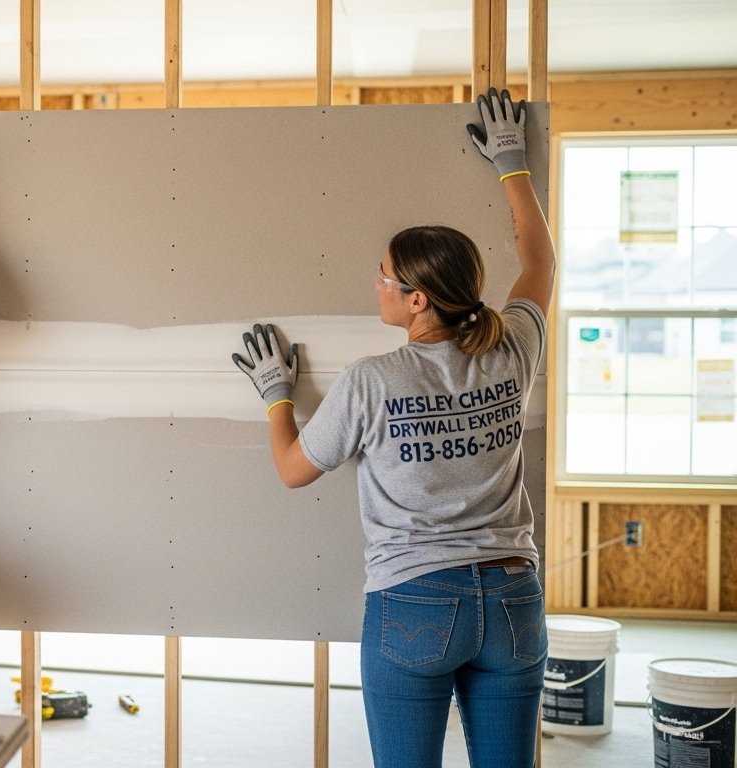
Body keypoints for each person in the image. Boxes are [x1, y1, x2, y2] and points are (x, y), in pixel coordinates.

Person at [232, 88, 554, 768]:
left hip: (415, 601)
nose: (375, 282)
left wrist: (275, 395)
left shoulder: (372, 380)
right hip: (512, 601)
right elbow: (540, 265)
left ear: (417, 299)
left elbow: (292, 470)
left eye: (384, 276)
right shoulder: (512, 347)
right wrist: (512, 164)